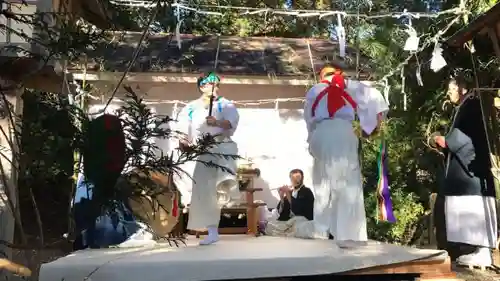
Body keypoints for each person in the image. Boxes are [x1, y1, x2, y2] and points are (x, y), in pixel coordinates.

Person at [303, 65, 388, 247]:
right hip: (344, 131)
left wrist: (311, 141)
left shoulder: (314, 90)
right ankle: (349, 233)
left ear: (321, 76)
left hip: (321, 131)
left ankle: (321, 230)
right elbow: (376, 97)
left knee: (322, 181)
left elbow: (308, 119)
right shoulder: (349, 85)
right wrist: (374, 122)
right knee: (348, 181)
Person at [431, 77, 497, 266]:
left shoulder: (470, 107)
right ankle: (474, 249)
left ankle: (481, 250)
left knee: (472, 206)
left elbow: (456, 140)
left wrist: (439, 139)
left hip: (470, 170)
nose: (449, 92)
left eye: (451, 88)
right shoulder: (468, 105)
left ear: (462, 89)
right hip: (468, 166)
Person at [176, 72, 240, 245]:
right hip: (204, 151)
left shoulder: (226, 104)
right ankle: (211, 230)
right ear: (202, 86)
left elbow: (231, 122)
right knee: (204, 191)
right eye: (211, 84)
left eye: (217, 85)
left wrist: (217, 123)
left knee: (221, 187)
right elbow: (183, 127)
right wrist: (183, 141)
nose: (215, 88)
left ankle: (219, 222)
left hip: (222, 148)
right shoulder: (191, 107)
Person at [259, 169, 315, 237]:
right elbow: (282, 213)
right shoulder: (290, 192)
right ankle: (284, 232)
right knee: (271, 225)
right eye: (292, 177)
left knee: (297, 222)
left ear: (302, 178)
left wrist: (288, 194)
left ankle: (283, 232)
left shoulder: (307, 191)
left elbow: (299, 210)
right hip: (289, 221)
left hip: (302, 220)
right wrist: (282, 197)